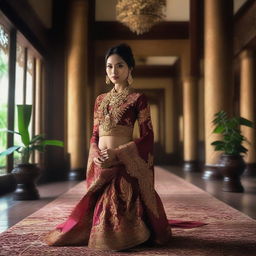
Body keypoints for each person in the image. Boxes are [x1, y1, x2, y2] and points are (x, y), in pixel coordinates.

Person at [45, 43, 204, 251]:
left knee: (119, 202)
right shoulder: (100, 100)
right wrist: (96, 155)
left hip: (124, 163)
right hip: (101, 161)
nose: (114, 71)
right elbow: (94, 134)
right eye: (109, 66)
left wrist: (117, 154)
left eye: (119, 66)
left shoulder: (138, 99)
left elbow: (147, 135)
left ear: (130, 69)